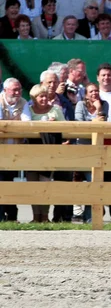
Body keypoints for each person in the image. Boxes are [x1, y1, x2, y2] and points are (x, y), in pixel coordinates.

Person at [26, 84, 66, 223]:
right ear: (34, 98)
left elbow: (66, 128)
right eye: (40, 96)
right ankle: (35, 216)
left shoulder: (55, 110)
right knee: (33, 186)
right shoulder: (29, 111)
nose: (44, 99)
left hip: (49, 153)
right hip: (30, 153)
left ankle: (45, 216)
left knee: (45, 185)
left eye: (45, 96)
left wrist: (54, 125)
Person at [74, 82, 108, 223]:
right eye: (91, 91)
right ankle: (77, 213)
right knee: (80, 183)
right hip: (82, 149)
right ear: (86, 94)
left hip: (98, 149)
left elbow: (104, 124)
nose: (94, 94)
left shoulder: (104, 104)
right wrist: (96, 121)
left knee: (93, 181)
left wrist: (99, 109)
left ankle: (90, 216)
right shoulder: (80, 105)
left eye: (96, 91)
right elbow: (79, 125)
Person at [0, 78, 31, 223]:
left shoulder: (23, 102)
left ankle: (12, 218)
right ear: (5, 90)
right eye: (14, 90)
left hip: (14, 154)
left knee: (10, 184)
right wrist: (15, 123)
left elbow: (27, 125)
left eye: (19, 89)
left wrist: (9, 125)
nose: (18, 93)